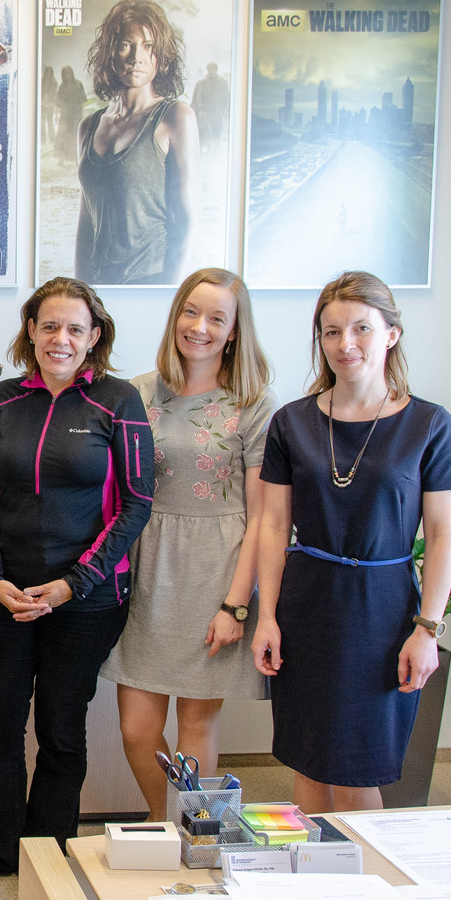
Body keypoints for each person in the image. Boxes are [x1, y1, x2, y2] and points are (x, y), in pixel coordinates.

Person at [0, 277, 154, 886]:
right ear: (31, 331)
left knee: (61, 730)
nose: (60, 339)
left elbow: (137, 504)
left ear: (94, 336)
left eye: (74, 328)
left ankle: (49, 853)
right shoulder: (3, 400)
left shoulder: (119, 401)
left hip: (86, 600)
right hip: (7, 595)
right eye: (49, 326)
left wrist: (74, 583)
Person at [251, 272, 451, 814]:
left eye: (361, 329)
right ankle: (314, 868)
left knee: (356, 770)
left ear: (391, 334)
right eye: (331, 332)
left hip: (382, 611)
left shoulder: (430, 425)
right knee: (308, 760)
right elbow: (273, 526)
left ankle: (366, 868)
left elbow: (443, 537)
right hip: (307, 605)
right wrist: (267, 617)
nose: (345, 344)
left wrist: (428, 629)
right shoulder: (291, 423)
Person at [101, 269, 276, 821]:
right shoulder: (136, 391)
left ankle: (186, 839)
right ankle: (172, 823)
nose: (199, 327)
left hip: (216, 572)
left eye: (216, 318)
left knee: (196, 725)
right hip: (145, 568)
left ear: (234, 331)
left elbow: (262, 517)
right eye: (191, 311)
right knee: (137, 728)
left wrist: (236, 605)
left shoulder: (254, 402)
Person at [75, 0, 200, 286]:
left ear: (162, 56)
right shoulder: (88, 127)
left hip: (152, 281)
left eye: (148, 46)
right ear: (110, 53)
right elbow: (86, 224)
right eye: (125, 45)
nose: (136, 58)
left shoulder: (175, 117)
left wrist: (168, 297)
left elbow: (188, 221)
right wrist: (80, 294)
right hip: (99, 287)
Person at [192, 63, 230, 153]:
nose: (211, 70)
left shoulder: (223, 83)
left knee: (216, 134)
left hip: (217, 114)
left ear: (216, 69)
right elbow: (197, 97)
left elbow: (226, 98)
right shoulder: (201, 83)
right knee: (203, 135)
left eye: (213, 68)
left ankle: (215, 154)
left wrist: (222, 110)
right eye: (210, 69)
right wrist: (200, 110)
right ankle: (202, 153)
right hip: (204, 114)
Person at [56, 64, 86, 165]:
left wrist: (83, 113)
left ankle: (76, 159)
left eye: (69, 73)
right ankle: (61, 158)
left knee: (75, 135)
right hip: (65, 114)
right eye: (65, 74)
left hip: (76, 113)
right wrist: (56, 114)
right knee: (63, 135)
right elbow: (58, 102)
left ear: (72, 73)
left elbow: (82, 101)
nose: (67, 75)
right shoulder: (62, 87)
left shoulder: (78, 84)